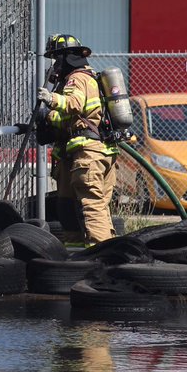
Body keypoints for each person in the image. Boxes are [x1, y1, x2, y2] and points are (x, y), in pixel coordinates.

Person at [36, 33, 117, 244]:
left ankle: (103, 256)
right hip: (92, 152)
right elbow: (74, 118)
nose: (54, 65)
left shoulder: (77, 78)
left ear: (64, 57)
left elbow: (74, 104)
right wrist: (48, 121)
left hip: (88, 154)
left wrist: (50, 99)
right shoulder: (88, 77)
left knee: (91, 207)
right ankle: (75, 258)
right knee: (70, 207)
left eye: (56, 59)